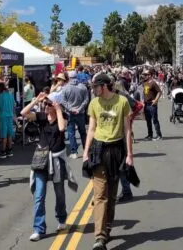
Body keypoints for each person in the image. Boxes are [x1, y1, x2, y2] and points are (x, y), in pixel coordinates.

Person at [82, 73, 134, 250]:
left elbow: (127, 130)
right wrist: (85, 151)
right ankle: (99, 236)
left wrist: (129, 155)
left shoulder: (122, 102)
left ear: (103, 86)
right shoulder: (94, 103)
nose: (94, 90)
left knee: (111, 195)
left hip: (116, 149)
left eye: (96, 87)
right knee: (100, 195)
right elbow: (91, 129)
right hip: (98, 149)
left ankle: (107, 227)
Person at [21, 92, 77, 241]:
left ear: (55, 105)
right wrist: (36, 101)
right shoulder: (41, 117)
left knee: (59, 193)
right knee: (39, 196)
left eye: (48, 104)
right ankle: (39, 229)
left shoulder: (63, 116)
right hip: (42, 159)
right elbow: (23, 113)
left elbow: (60, 128)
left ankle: (61, 218)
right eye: (44, 104)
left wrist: (58, 109)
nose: (45, 106)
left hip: (57, 159)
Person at [141, 70, 163, 141]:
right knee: (148, 120)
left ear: (150, 75)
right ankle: (150, 135)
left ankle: (159, 135)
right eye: (144, 74)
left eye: (146, 74)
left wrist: (156, 100)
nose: (144, 76)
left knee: (155, 120)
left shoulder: (153, 83)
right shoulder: (144, 82)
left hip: (152, 104)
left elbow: (159, 92)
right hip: (146, 104)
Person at [0, 83, 16, 158]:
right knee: (9, 134)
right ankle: (10, 150)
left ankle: (3, 152)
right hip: (10, 116)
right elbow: (14, 105)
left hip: (2, 117)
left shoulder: (0, 96)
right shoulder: (10, 95)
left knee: (3, 135)